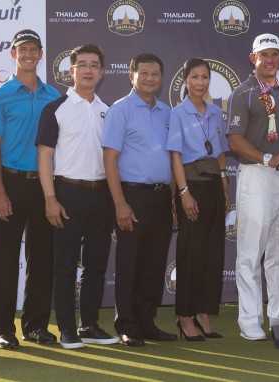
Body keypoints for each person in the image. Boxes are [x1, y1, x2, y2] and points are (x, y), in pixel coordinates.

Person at [0, 29, 62, 349]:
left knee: (42, 260)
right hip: (10, 183)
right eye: (22, 49)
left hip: (44, 185)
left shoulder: (53, 96)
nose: (28, 54)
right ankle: (3, 330)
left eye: (33, 49)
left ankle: (36, 326)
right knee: (3, 260)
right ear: (13, 54)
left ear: (41, 54)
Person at [36, 44, 118, 349]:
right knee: (66, 265)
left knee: (96, 264)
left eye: (94, 65)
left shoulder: (107, 111)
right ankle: (67, 330)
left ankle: (90, 326)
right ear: (71, 71)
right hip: (66, 193)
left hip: (101, 195)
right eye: (81, 64)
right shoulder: (55, 109)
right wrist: (49, 198)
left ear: (102, 71)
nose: (87, 70)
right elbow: (44, 157)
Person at [226, 33, 279, 341]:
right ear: (252, 58)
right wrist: (267, 158)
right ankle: (250, 320)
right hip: (256, 175)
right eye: (264, 55)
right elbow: (234, 140)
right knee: (250, 252)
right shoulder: (241, 94)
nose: (270, 60)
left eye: (275, 55)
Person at [104, 53, 178, 346]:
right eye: (144, 73)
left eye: (155, 74)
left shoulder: (166, 112)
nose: (150, 78)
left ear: (161, 78)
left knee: (154, 263)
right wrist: (120, 203)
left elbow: (172, 159)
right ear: (131, 75)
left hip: (161, 197)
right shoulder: (119, 110)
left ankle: (147, 323)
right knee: (129, 263)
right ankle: (127, 325)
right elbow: (110, 160)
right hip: (131, 195)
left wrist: (173, 199)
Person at [167, 58, 229, 341]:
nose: (200, 83)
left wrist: (225, 186)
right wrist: (183, 193)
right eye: (195, 77)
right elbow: (176, 156)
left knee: (213, 253)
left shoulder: (216, 112)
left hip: (215, 185)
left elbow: (220, 154)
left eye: (205, 77)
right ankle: (185, 316)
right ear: (185, 80)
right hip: (191, 185)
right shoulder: (178, 113)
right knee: (190, 253)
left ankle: (204, 311)